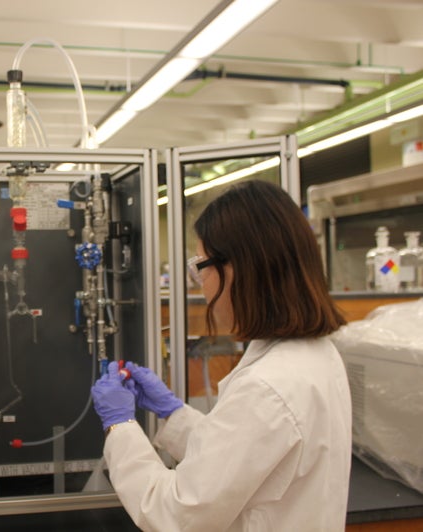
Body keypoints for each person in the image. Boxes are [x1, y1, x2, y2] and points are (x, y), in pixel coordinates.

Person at [92, 180, 351, 531]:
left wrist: (119, 426)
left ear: (240, 268)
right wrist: (174, 414)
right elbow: (241, 457)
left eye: (201, 266)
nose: (201, 283)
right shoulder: (315, 355)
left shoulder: (267, 387)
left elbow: (173, 512)